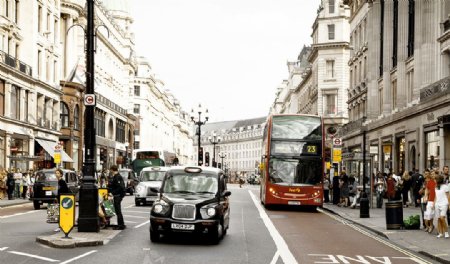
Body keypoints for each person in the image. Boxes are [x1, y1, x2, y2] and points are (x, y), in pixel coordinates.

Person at [108, 165, 126, 230]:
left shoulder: (117, 177)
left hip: (118, 196)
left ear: (112, 170)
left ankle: (121, 225)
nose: (110, 171)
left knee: (118, 211)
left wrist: (112, 192)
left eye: (110, 170)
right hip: (118, 195)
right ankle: (121, 224)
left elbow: (120, 187)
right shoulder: (116, 176)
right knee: (118, 210)